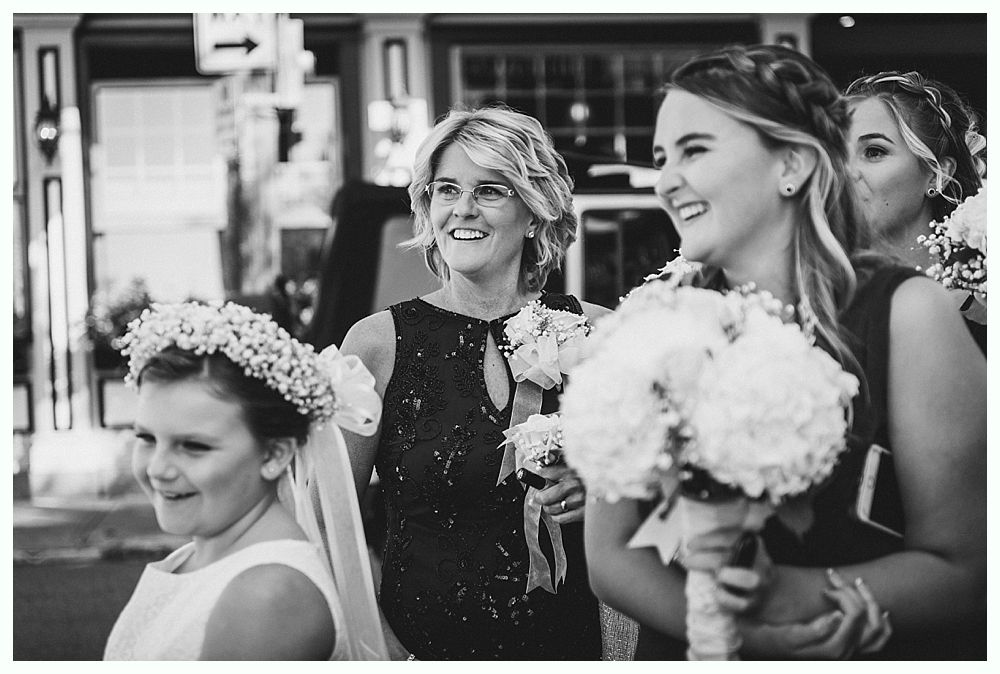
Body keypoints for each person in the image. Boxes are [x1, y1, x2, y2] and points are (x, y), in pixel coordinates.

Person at [584, 44, 986, 659]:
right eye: (662, 158)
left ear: (792, 163)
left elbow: (968, 571)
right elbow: (611, 558)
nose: (665, 181)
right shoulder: (650, 321)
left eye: (694, 150)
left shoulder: (907, 314)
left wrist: (801, 601)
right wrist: (734, 635)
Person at [339, 105, 609, 660]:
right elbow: (330, 525)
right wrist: (391, 656)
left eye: (490, 190)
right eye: (446, 189)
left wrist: (605, 493)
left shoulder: (600, 335)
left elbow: (668, 498)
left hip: (570, 649)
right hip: (419, 655)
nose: (463, 209)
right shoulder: (376, 344)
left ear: (534, 211)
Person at [104, 301, 388, 660]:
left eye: (193, 446)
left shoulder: (268, 596)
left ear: (274, 454)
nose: (158, 468)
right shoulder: (201, 551)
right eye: (146, 438)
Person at [844, 70, 987, 353]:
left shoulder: (981, 309)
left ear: (937, 176)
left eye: (873, 152)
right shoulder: (817, 301)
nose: (845, 172)